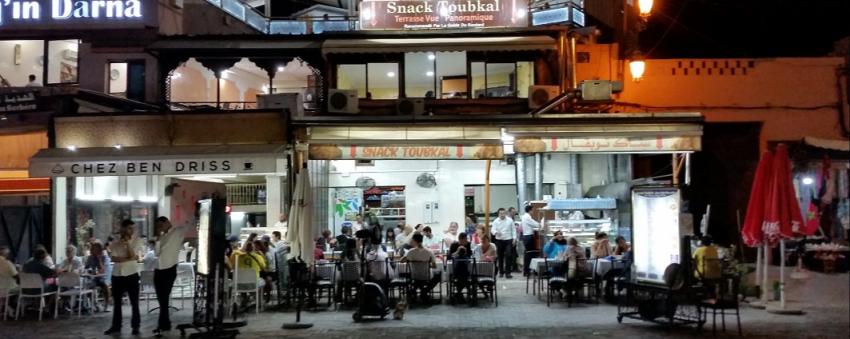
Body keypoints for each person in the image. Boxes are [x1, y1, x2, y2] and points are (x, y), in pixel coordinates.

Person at [104, 219, 143, 335]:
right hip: (117, 275)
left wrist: (127, 244)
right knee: (117, 303)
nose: (132, 231)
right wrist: (130, 259)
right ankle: (116, 326)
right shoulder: (115, 242)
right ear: (123, 228)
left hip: (132, 274)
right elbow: (114, 258)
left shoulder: (137, 240)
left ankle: (135, 326)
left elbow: (132, 254)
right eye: (129, 228)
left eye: (133, 228)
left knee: (134, 302)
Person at [151, 217, 189, 335]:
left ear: (167, 223)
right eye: (158, 226)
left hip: (169, 269)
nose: (160, 228)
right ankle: (164, 324)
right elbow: (156, 253)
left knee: (164, 297)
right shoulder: (162, 237)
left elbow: (188, 224)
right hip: (158, 269)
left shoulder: (177, 232)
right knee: (161, 298)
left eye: (161, 225)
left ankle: (163, 324)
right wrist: (157, 238)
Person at [401, 234, 439, 302]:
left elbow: (401, 261)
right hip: (426, 276)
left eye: (412, 240)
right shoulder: (429, 251)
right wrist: (427, 265)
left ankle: (415, 289)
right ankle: (425, 290)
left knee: (406, 275)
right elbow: (434, 266)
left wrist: (407, 258)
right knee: (438, 275)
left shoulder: (410, 251)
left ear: (414, 241)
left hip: (414, 276)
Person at [85, 241, 112, 312]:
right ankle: (95, 305)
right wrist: (88, 271)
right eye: (94, 249)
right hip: (92, 277)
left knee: (105, 286)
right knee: (89, 286)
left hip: (102, 277)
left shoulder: (104, 257)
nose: (95, 250)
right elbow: (86, 267)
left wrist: (99, 260)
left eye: (97, 249)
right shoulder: (90, 257)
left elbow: (103, 270)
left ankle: (106, 305)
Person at [491, 208, 516, 278]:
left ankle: (508, 273)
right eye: (501, 213)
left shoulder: (510, 220)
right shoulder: (495, 221)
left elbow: (513, 230)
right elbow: (492, 230)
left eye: (503, 213)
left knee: (508, 255)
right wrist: (496, 232)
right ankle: (501, 272)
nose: (502, 215)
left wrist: (514, 239)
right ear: (498, 214)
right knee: (500, 256)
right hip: (499, 240)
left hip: (508, 239)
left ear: (505, 213)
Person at [520, 205, 541, 276]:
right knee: (530, 254)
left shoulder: (525, 216)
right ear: (530, 210)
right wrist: (541, 225)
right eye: (533, 210)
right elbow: (535, 224)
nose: (533, 211)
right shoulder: (527, 217)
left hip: (526, 237)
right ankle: (527, 271)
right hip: (528, 237)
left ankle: (528, 271)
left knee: (529, 254)